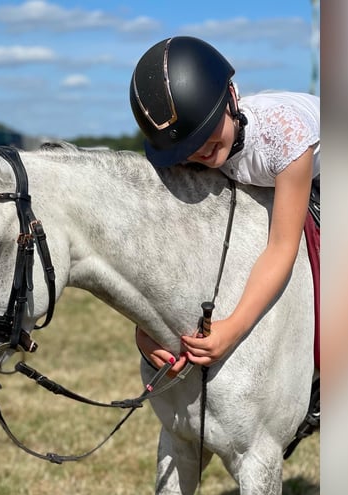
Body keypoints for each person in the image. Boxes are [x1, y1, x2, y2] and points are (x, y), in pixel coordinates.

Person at [130, 36, 320, 446]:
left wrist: (232, 329)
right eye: (185, 147)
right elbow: (182, 251)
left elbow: (281, 248)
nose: (198, 150)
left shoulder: (285, 137)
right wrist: (146, 330)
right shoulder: (192, 150)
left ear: (232, 96)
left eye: (205, 133)